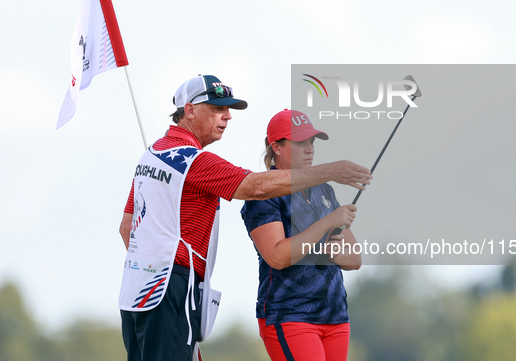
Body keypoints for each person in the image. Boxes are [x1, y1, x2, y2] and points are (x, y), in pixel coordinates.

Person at [117, 76, 372, 361]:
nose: (226, 116)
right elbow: (255, 187)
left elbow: (127, 228)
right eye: (216, 108)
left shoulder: (152, 154)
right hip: (171, 287)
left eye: (228, 110)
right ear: (189, 110)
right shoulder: (192, 160)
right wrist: (330, 171)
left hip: (138, 288)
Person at [241, 109, 362, 361]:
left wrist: (337, 253)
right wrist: (327, 223)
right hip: (289, 314)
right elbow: (277, 256)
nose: (310, 149)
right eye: (300, 143)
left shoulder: (325, 191)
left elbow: (354, 260)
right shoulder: (262, 194)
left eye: (311, 142)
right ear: (276, 147)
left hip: (335, 314)